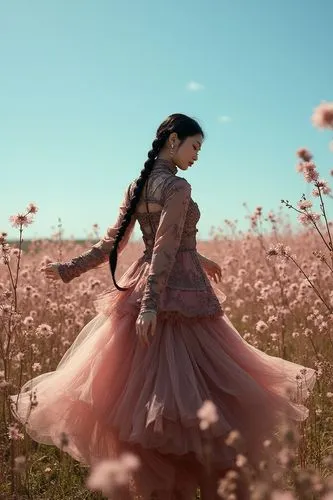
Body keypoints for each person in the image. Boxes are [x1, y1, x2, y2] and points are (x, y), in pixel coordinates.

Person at [10, 114, 316, 500]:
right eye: (195, 147)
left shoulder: (138, 185)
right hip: (177, 297)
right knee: (204, 404)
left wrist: (69, 268)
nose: (197, 155)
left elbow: (117, 244)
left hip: (149, 286)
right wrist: (151, 306)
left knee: (144, 408)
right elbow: (165, 245)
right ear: (173, 140)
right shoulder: (177, 186)